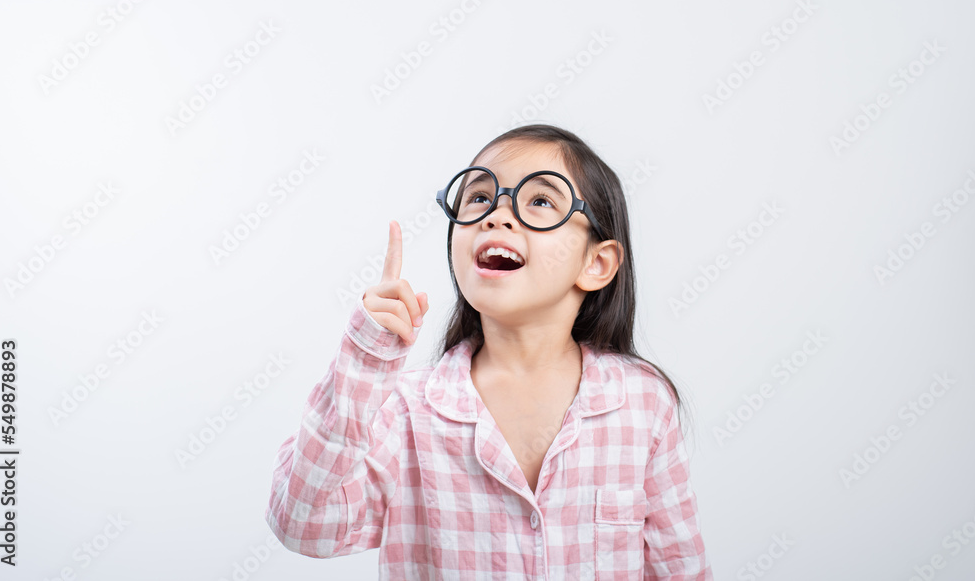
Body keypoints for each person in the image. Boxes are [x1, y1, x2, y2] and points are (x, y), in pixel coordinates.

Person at [265, 124, 713, 579]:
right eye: (479, 197)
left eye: (540, 201)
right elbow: (303, 525)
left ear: (596, 264)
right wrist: (365, 358)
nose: (497, 215)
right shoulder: (407, 411)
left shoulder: (643, 401)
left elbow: (679, 567)